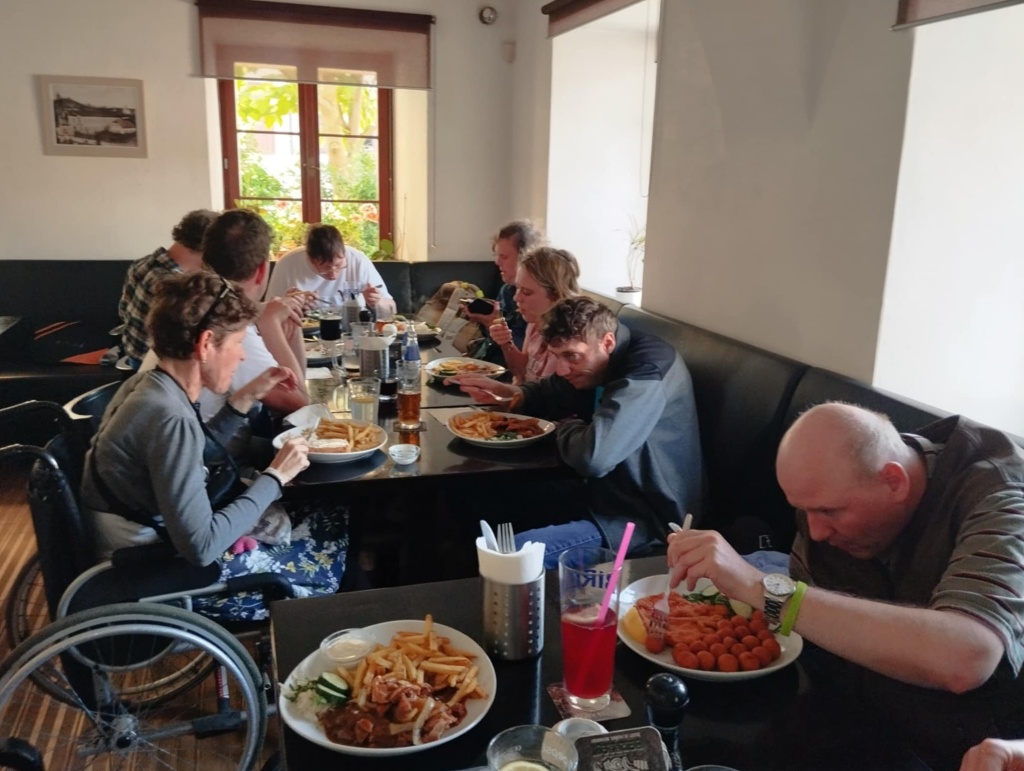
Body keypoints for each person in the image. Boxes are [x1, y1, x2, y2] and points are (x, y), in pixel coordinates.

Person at [666, 402, 1024, 769]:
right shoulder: (831, 489)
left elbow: (966, 659)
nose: (816, 532)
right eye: (804, 510)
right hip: (856, 728)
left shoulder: (1002, 496)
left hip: (962, 752)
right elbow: (809, 632)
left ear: (894, 481)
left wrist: (761, 588)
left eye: (829, 512)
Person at [82, 271, 348, 621]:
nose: (242, 356)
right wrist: (275, 477)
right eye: (238, 343)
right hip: (154, 575)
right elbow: (202, 546)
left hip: (149, 546)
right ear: (206, 344)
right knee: (328, 549)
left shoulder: (151, 386)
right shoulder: (169, 417)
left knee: (329, 512)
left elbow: (189, 457)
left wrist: (241, 401)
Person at [452, 296, 703, 566]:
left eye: (571, 356)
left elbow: (594, 457)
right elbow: (551, 392)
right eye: (556, 356)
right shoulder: (596, 359)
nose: (562, 369)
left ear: (608, 342)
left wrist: (561, 427)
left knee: (510, 558)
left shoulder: (645, 370)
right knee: (477, 491)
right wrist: (511, 393)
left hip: (646, 519)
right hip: (598, 493)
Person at [141, 209, 309, 419]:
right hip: (195, 438)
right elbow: (301, 404)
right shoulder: (227, 326)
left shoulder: (193, 306)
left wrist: (283, 319)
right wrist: (271, 324)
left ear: (204, 260)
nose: (242, 355)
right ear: (261, 271)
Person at [117, 209, 217, 367]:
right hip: (153, 366)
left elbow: (123, 311)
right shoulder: (175, 285)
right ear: (207, 248)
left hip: (132, 355)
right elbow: (187, 339)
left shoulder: (142, 264)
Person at [266, 223, 396, 318]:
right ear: (310, 258)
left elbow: (392, 309)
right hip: (304, 334)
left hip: (352, 331)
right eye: (324, 268)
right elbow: (267, 313)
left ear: (344, 253)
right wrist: (292, 306)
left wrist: (377, 303)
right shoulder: (288, 263)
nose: (333, 274)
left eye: (339, 265)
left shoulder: (358, 260)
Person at [491, 246, 580, 383]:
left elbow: (549, 394)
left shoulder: (571, 338)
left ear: (556, 295)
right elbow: (522, 372)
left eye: (527, 292)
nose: (516, 298)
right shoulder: (535, 323)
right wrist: (506, 343)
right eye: (517, 288)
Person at [463, 220, 544, 365]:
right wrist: (486, 323)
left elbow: (527, 357)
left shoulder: (539, 299)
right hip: (489, 361)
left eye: (504, 257)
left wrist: (493, 326)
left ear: (525, 257)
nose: (497, 262)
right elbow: (494, 342)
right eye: (496, 256)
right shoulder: (506, 291)